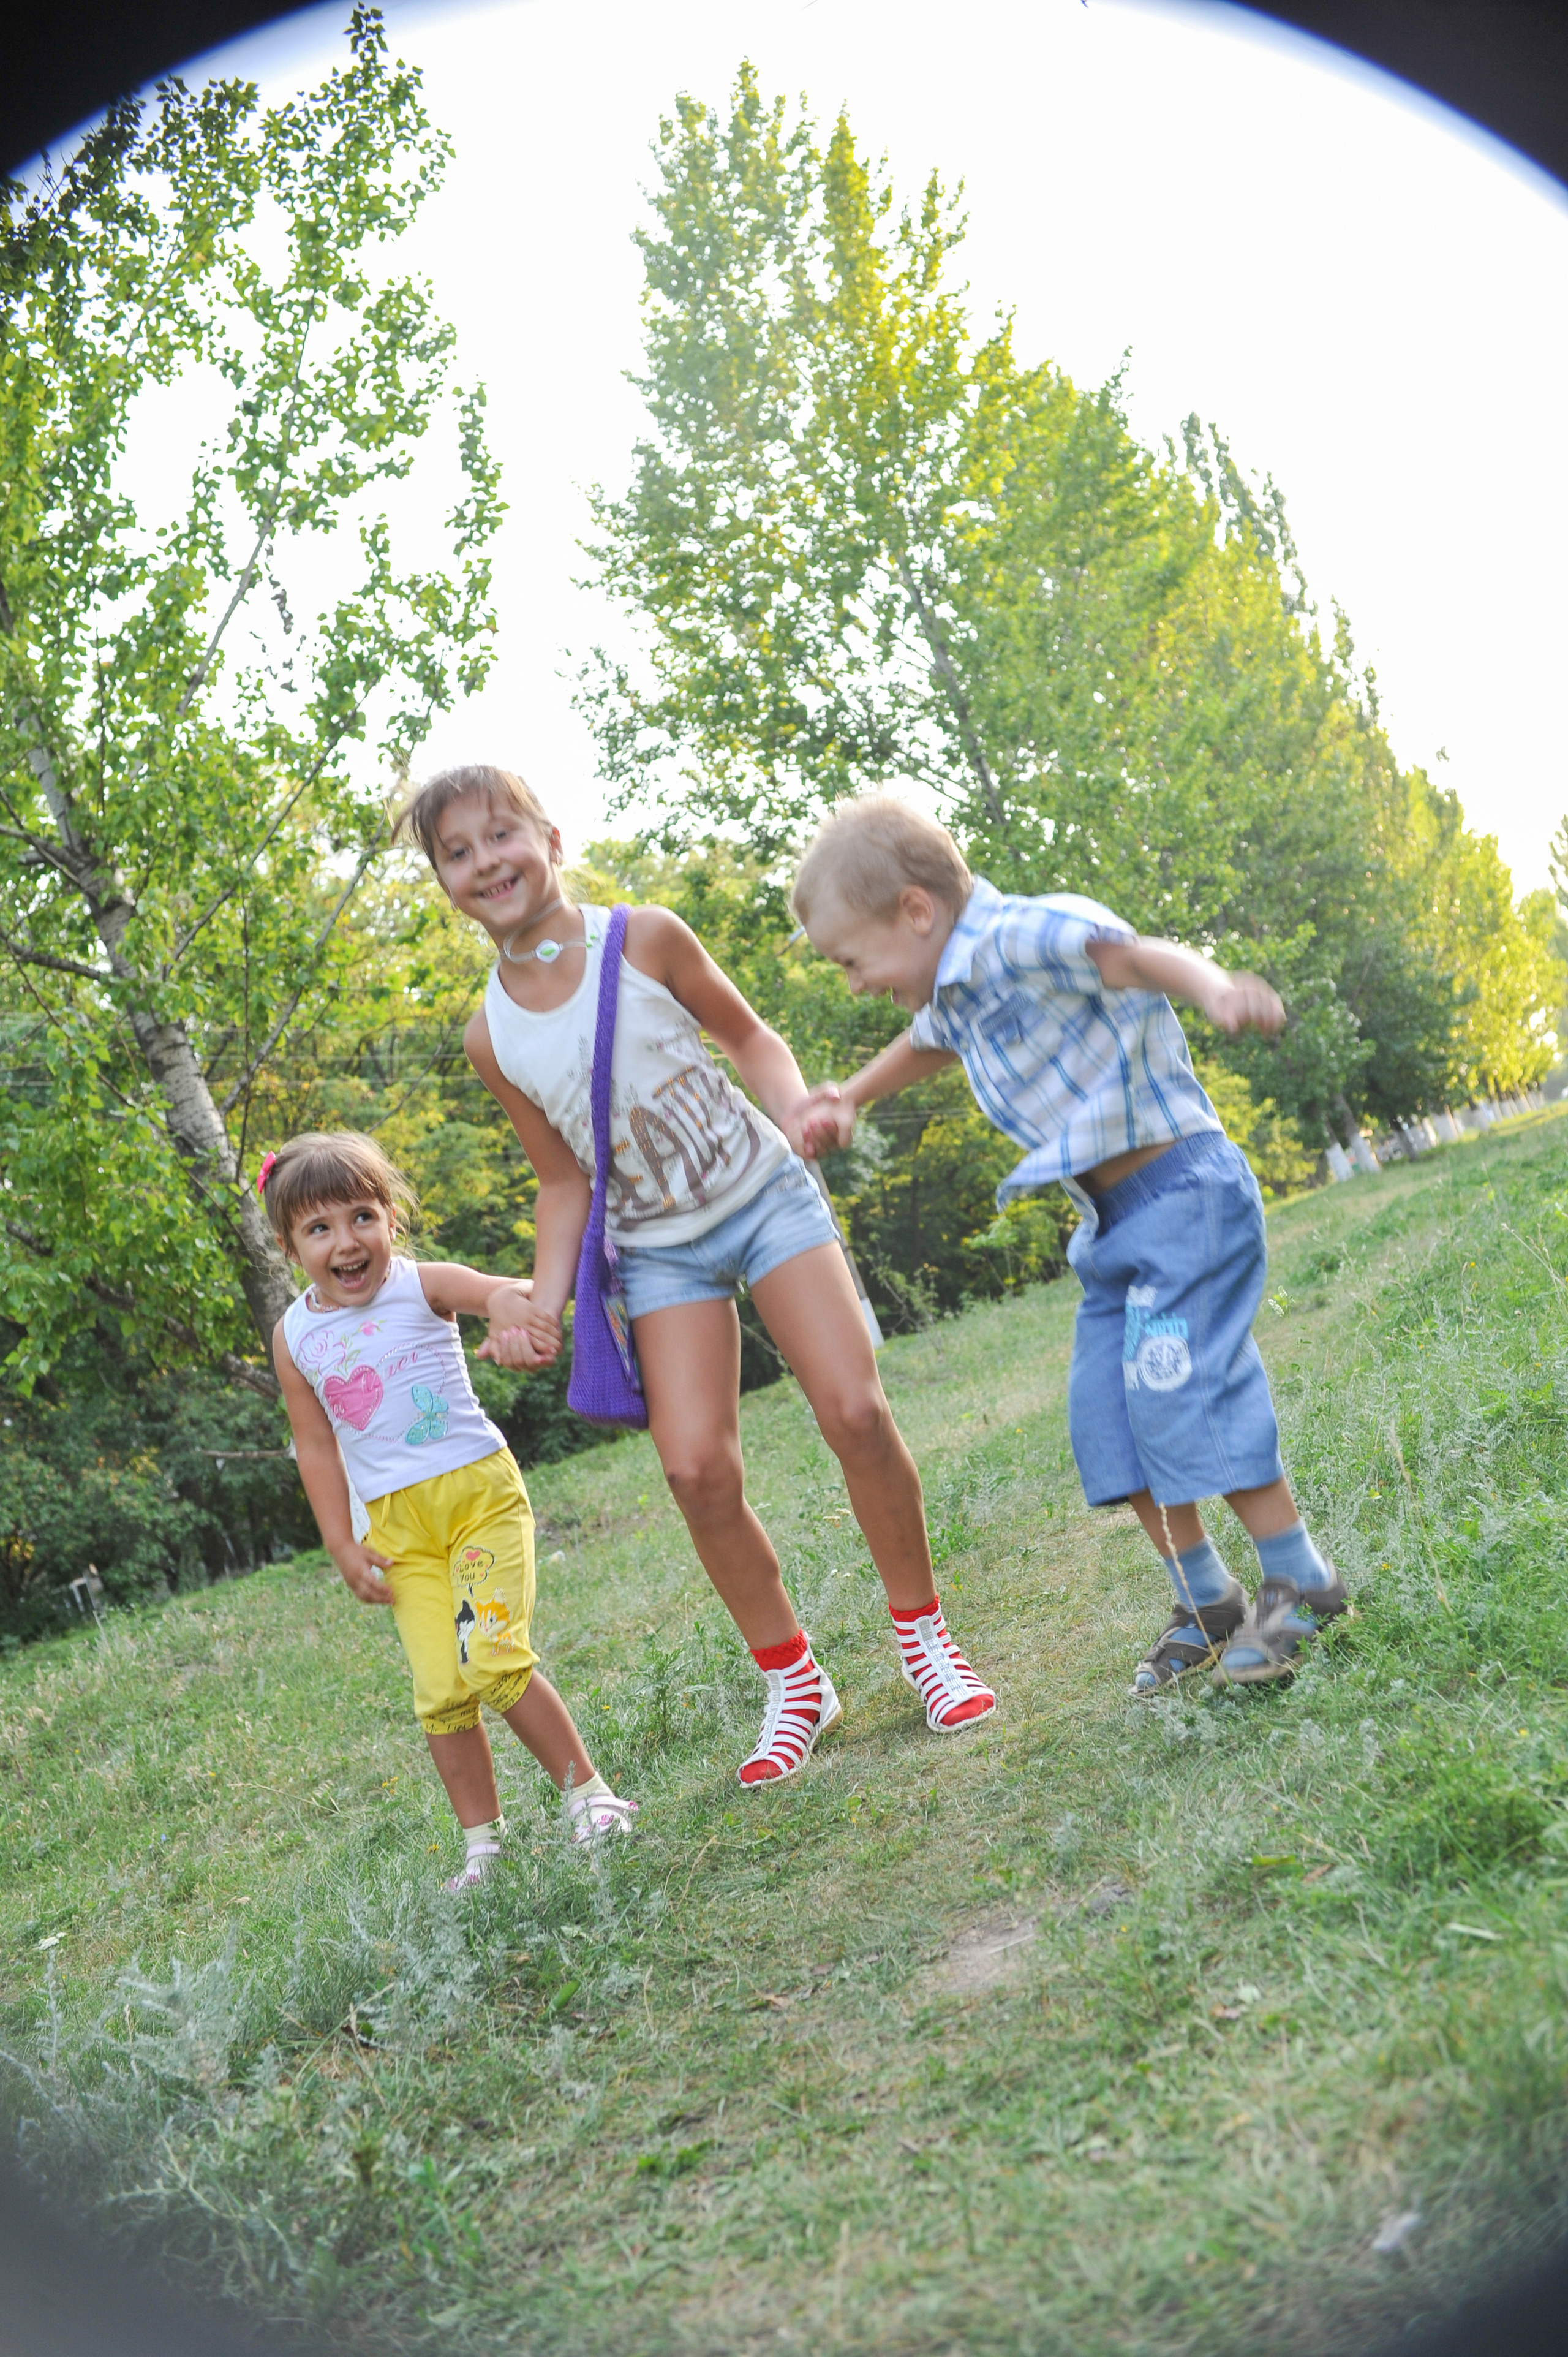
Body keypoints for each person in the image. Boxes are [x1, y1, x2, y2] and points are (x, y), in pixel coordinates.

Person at [393, 763, 998, 1785]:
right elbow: (559, 1181)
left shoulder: (648, 935)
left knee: (853, 1410)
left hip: (763, 1195)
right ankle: (795, 1678)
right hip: (658, 1246)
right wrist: (543, 1301)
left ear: (548, 834)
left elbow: (750, 1037)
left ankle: (924, 1637)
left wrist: (799, 1102)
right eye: (457, 852)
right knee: (693, 1471)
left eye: (501, 835)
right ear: (445, 881)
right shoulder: (489, 1036)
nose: (485, 861)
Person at [789, 796, 1346, 1693]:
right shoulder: (954, 989)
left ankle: (1303, 1579)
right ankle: (1206, 1598)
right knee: (1109, 1419)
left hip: (1186, 1194)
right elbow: (926, 1042)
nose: (852, 980)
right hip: (1111, 1225)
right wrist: (848, 1095)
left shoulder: (1024, 932)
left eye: (850, 958)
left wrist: (1212, 987)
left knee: (1184, 1389)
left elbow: (1131, 958)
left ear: (915, 910)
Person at [264, 1130, 636, 1890]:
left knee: (493, 1659)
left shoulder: (420, 1283)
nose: (347, 1241)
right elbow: (315, 1446)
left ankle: (593, 1800)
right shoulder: (294, 1336)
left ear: (391, 1218)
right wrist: (340, 1541)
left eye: (362, 1215)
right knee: (441, 1691)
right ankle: (483, 1849)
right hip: (397, 1533)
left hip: (476, 1500)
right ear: (288, 1245)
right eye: (319, 1228)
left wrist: (512, 1311)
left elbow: (502, 1292)